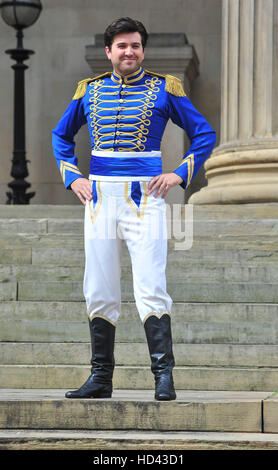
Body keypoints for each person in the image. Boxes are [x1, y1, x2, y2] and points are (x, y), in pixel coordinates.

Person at [52, 17, 216, 401]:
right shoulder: (87, 91)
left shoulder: (165, 88)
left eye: (136, 46)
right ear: (109, 51)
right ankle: (100, 379)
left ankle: (163, 377)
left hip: (146, 199)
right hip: (99, 199)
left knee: (151, 286)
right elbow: (61, 135)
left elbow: (204, 133)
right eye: (122, 46)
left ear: (143, 50)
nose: (130, 52)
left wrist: (179, 174)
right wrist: (73, 176)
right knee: (99, 287)